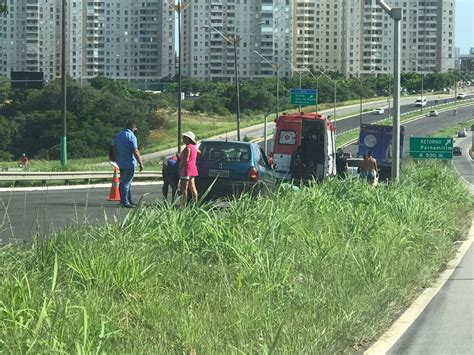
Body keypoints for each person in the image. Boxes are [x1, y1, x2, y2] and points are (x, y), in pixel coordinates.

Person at [113, 121, 144, 208]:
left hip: (121, 162)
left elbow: (115, 149)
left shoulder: (118, 136)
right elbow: (135, 151)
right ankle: (125, 202)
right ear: (133, 128)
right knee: (126, 183)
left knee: (125, 182)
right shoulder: (131, 136)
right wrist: (140, 162)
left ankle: (127, 200)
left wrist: (116, 159)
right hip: (129, 163)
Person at [179, 131, 199, 204]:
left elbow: (186, 160)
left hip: (186, 169)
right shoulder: (194, 148)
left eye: (185, 137)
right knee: (192, 187)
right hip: (193, 169)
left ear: (188, 139)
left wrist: (180, 167)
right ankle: (195, 203)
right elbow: (199, 152)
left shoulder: (188, 148)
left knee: (184, 188)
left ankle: (183, 205)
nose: (183, 139)